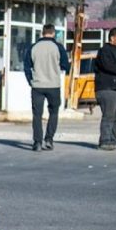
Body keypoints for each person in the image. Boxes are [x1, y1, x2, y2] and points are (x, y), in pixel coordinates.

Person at [24, 23, 70, 151]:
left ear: (42, 33)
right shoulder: (58, 47)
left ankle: (37, 142)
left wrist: (31, 81)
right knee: (53, 112)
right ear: (53, 33)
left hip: (37, 85)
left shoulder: (34, 47)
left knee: (37, 115)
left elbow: (27, 66)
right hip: (53, 85)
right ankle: (49, 139)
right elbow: (66, 65)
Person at [95, 27, 116, 151]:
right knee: (109, 115)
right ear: (112, 38)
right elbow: (108, 66)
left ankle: (113, 139)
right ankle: (105, 140)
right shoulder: (105, 51)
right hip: (107, 88)